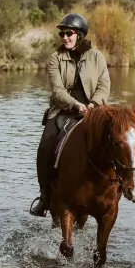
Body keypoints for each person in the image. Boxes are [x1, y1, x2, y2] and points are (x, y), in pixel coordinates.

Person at [29, 12, 110, 217]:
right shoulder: (56, 58)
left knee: (115, 142)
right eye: (62, 34)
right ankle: (45, 195)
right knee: (45, 146)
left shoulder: (96, 57)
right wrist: (76, 105)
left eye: (69, 33)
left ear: (79, 35)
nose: (65, 37)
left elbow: (104, 85)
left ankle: (114, 189)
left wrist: (92, 104)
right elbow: (57, 91)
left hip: (93, 111)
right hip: (63, 111)